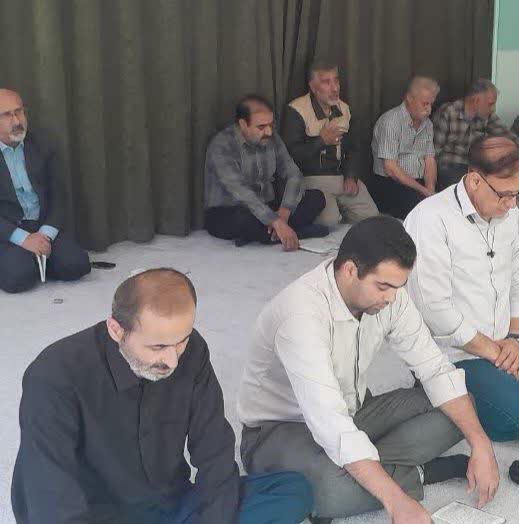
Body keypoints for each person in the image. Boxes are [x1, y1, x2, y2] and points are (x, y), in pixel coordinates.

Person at [237, 217, 499, 523]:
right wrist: (396, 502)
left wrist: (481, 445)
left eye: (398, 287)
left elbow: (436, 369)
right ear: (350, 270)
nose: (392, 297)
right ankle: (415, 473)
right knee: (327, 491)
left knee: (460, 409)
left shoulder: (391, 297)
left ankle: (363, 472)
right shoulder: (300, 316)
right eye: (383, 286)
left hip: (354, 410)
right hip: (279, 431)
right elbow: (329, 421)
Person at [12, 268, 314, 523]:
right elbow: (49, 493)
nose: (172, 360)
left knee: (292, 491)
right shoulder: (55, 375)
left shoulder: (192, 351)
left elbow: (214, 449)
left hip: (170, 504)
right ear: (116, 330)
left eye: (181, 341)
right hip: (96, 513)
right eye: (157, 347)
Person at [405, 136, 519, 441]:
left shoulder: (508, 213)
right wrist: (496, 354)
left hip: (505, 342)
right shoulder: (429, 219)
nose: (513, 204)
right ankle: (434, 390)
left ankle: (492, 387)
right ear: (475, 180)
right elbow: (434, 309)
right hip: (454, 352)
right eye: (505, 194)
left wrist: (515, 339)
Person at [205, 94, 327, 250]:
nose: (269, 131)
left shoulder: (272, 137)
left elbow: (293, 174)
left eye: (270, 125)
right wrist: (275, 221)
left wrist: (284, 212)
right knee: (244, 220)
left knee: (316, 198)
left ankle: (266, 235)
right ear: (243, 124)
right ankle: (295, 232)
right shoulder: (222, 145)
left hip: (268, 205)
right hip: (231, 209)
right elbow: (240, 192)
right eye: (261, 127)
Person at [0, 88, 90, 293]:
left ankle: (33, 256)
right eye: (7, 115)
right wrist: (23, 239)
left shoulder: (42, 144)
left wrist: (45, 235)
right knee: (18, 278)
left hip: (41, 226)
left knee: (77, 264)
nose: (17, 121)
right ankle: (25, 260)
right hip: (7, 231)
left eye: (19, 112)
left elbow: (59, 195)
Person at [282, 62, 379, 227]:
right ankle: (334, 210)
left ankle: (339, 207)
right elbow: (290, 155)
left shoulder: (345, 109)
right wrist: (321, 141)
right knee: (329, 221)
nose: (334, 88)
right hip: (311, 180)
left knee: (370, 217)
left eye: (336, 81)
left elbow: (354, 148)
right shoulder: (297, 110)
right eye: (326, 82)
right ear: (313, 87)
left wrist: (351, 176)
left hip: (340, 178)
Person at [431, 78, 519, 191]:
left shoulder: (487, 116)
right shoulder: (449, 113)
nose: (493, 109)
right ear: (476, 100)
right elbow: (434, 151)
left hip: (476, 166)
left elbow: (509, 137)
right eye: (490, 104)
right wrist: (431, 183)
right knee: (469, 186)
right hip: (450, 165)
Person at [370, 76, 440, 219]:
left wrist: (430, 190)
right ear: (409, 98)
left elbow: (429, 159)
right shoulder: (391, 122)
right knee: (422, 212)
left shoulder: (427, 124)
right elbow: (390, 169)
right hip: (391, 184)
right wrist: (424, 191)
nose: (429, 109)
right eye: (425, 104)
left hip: (418, 184)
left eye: (431, 104)